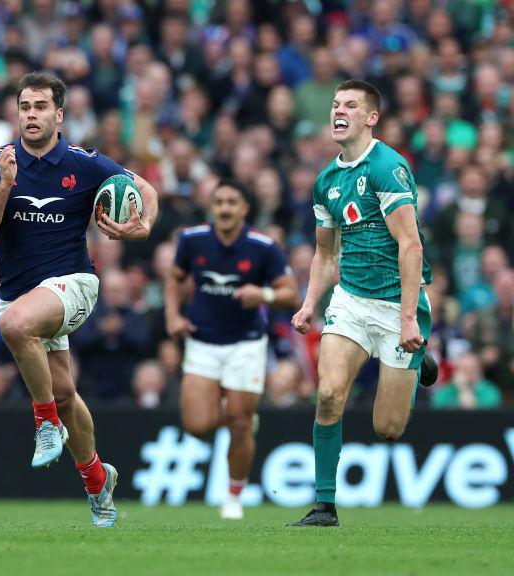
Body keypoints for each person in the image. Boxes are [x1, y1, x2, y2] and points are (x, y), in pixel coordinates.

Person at [0, 71, 159, 527]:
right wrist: (5, 185)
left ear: (59, 114)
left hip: (74, 283)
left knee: (14, 326)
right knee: (66, 393)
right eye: (24, 107)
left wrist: (143, 224)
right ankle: (97, 480)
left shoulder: (85, 163)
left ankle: (44, 423)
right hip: (20, 293)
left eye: (40, 107)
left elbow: (146, 190)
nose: (31, 115)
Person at [289, 80, 436, 527]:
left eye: (351, 105)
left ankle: (423, 351)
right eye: (335, 104)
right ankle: (324, 505)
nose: (339, 110)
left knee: (387, 429)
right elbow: (325, 253)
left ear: (371, 117)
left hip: (397, 305)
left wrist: (409, 317)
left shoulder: (388, 168)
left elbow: (411, 247)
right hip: (351, 300)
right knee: (329, 393)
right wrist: (310, 302)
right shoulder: (326, 181)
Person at [164, 179, 299, 520]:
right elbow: (174, 278)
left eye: (231, 202)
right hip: (203, 342)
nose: (224, 208)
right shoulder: (193, 240)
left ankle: (233, 495)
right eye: (219, 202)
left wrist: (263, 295)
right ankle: (236, 409)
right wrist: (173, 315)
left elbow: (290, 293)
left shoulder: (263, 246)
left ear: (244, 209)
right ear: (212, 207)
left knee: (240, 424)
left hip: (245, 343)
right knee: (197, 425)